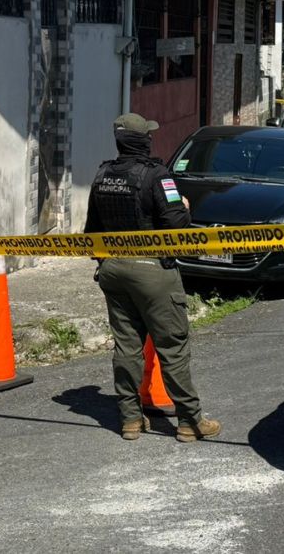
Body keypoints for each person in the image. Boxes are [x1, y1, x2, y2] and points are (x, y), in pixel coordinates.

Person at [85, 113, 221, 443]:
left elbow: (91, 233)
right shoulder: (158, 177)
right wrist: (185, 207)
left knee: (127, 346)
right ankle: (189, 421)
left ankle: (131, 419)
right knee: (172, 346)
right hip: (152, 271)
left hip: (113, 271)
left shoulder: (102, 175)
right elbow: (177, 226)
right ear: (143, 141)